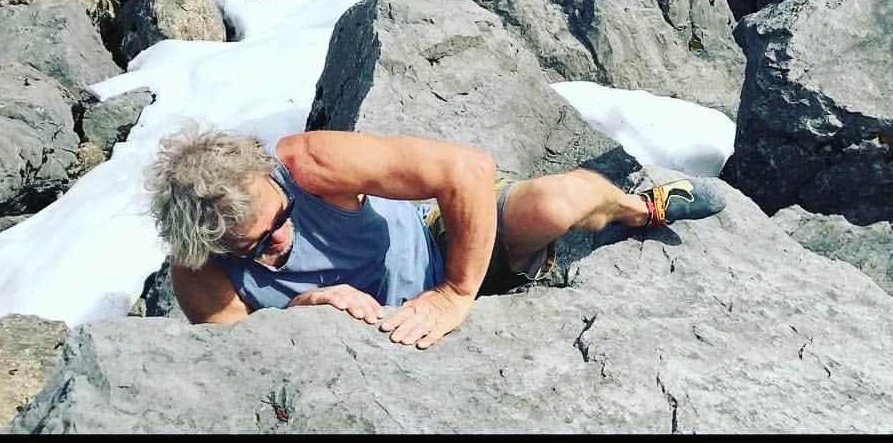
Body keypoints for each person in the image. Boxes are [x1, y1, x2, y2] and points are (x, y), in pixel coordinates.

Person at [146, 127, 725, 350]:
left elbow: (466, 169)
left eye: (277, 220)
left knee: (555, 204)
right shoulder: (199, 271)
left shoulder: (309, 164)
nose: (276, 242)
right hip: (395, 336)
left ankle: (638, 208)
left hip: (441, 248)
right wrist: (300, 309)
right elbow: (242, 355)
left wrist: (454, 293)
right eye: (251, 248)